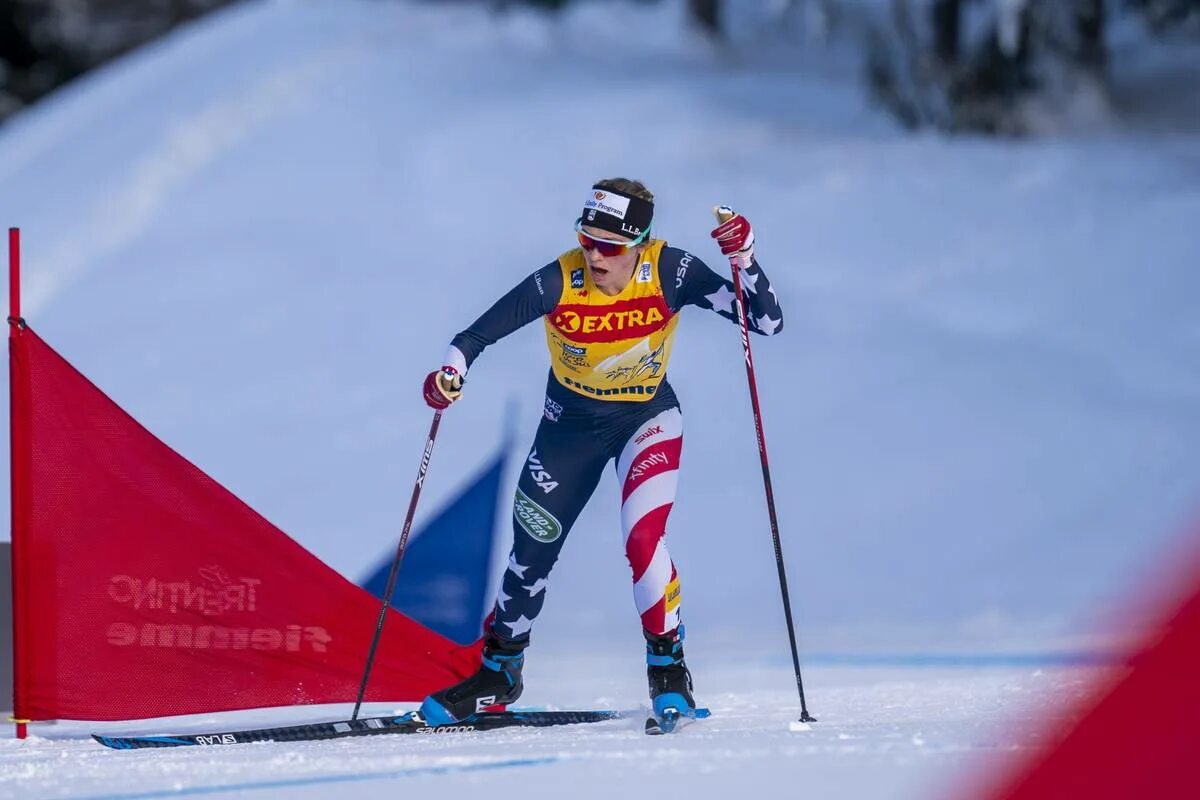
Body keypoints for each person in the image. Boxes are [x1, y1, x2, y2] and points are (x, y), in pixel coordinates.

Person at [418, 178, 783, 725]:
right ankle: (499, 673)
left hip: (646, 418)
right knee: (530, 550)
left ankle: (668, 668)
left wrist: (746, 259)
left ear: (639, 241)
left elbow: (765, 321)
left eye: (608, 246)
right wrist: (449, 375)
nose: (593, 255)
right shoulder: (559, 279)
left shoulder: (669, 271)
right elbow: (473, 337)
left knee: (642, 539)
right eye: (586, 239)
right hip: (570, 427)